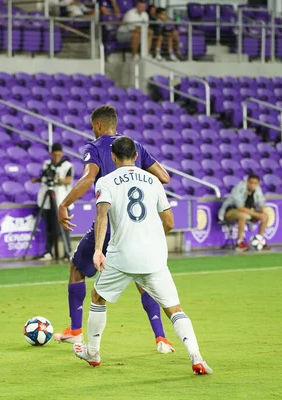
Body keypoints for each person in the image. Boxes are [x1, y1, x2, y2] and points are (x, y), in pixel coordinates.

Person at [72, 136, 213, 375]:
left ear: (113, 157)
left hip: (122, 255)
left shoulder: (105, 182)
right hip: (154, 257)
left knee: (97, 297)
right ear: (136, 156)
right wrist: (154, 239)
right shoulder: (154, 180)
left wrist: (98, 250)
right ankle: (196, 356)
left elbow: (102, 215)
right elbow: (169, 220)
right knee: (174, 309)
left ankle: (93, 352)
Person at [55, 105, 175, 354]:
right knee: (144, 279)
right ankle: (161, 338)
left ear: (98, 125)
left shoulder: (96, 148)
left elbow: (89, 179)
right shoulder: (134, 147)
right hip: (137, 224)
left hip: (109, 222)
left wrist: (65, 203)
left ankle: (76, 331)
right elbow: (164, 177)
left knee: (77, 268)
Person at [32, 143, 74, 261]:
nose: (56, 157)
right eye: (54, 155)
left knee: (64, 227)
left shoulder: (67, 165)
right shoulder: (47, 164)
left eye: (58, 155)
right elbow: (44, 176)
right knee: (49, 227)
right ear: (51, 154)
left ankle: (67, 253)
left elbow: (69, 180)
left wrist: (58, 179)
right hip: (48, 200)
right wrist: (38, 179)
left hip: (62, 200)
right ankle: (48, 252)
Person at [218, 174, 270, 251]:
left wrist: (262, 213)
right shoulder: (239, 188)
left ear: (258, 184)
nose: (252, 185)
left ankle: (260, 240)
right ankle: (239, 242)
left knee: (265, 216)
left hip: (248, 211)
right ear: (247, 182)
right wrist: (256, 214)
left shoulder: (258, 190)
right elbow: (240, 208)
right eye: (251, 183)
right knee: (243, 215)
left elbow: (261, 203)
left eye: (255, 183)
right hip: (230, 211)